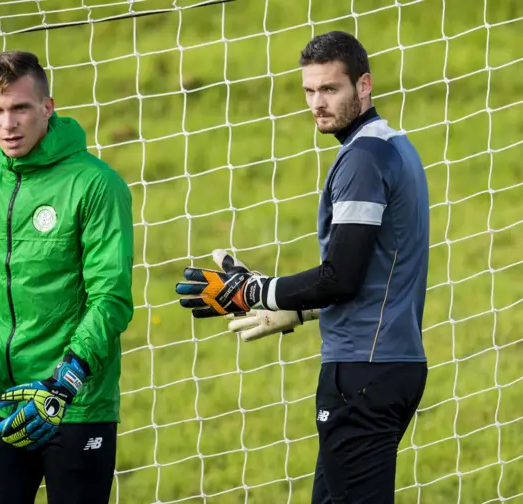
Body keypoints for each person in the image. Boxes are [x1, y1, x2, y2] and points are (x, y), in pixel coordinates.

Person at [175, 31, 429, 503]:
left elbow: (342, 276)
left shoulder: (363, 160)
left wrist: (253, 292)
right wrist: (296, 308)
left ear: (364, 85)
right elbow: (376, 273)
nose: (317, 103)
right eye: (310, 91)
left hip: (362, 372)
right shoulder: (394, 147)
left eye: (330, 89)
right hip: (383, 365)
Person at [0, 50, 134, 504]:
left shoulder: (97, 185)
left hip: (75, 404)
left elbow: (111, 299)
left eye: (20, 108)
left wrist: (65, 382)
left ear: (48, 107)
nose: (8, 124)